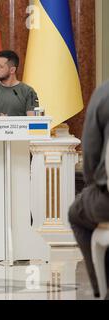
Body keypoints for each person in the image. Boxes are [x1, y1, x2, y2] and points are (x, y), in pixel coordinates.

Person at [68, 80, 109, 299]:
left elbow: (91, 153)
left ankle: (102, 288)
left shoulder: (105, 93)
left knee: (76, 213)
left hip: (107, 200)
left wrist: (94, 183)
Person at [0, 50, 39, 117]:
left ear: (12, 70)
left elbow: (33, 121)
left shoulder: (28, 91)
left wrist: (9, 123)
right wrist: (0, 124)